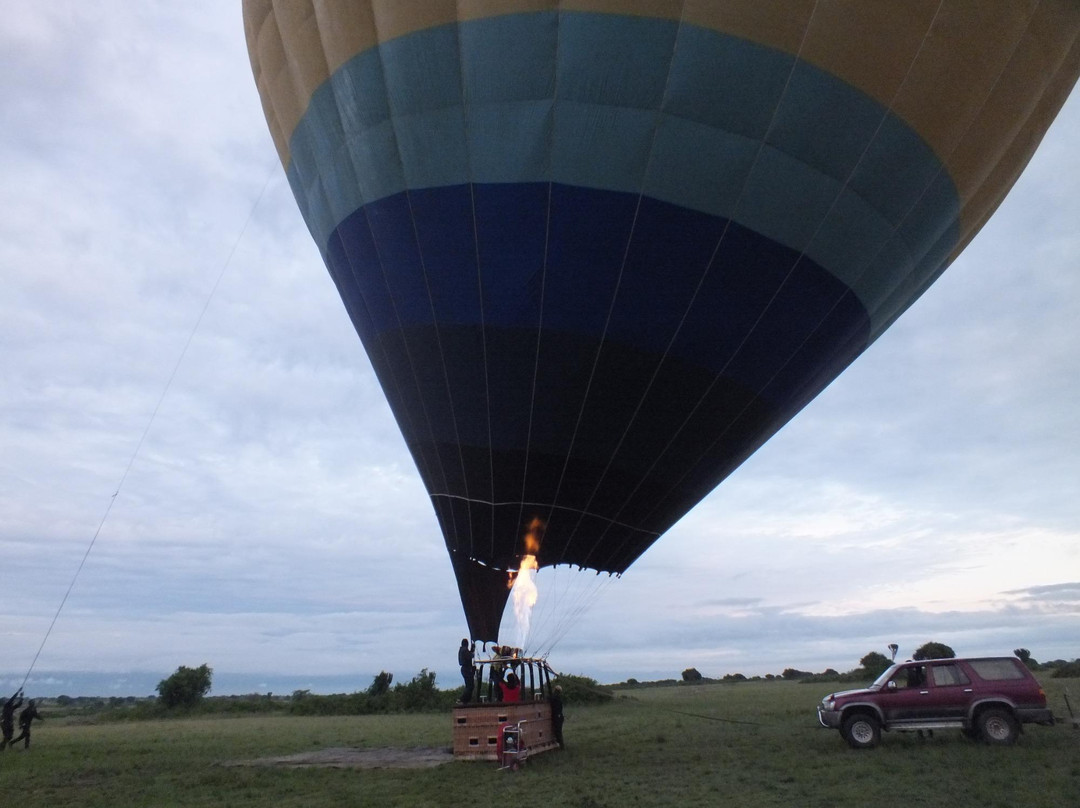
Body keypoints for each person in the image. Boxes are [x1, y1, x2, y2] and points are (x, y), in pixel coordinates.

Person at [457, 638, 476, 703]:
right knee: (470, 685)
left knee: (469, 685)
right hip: (466, 669)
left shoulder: (461, 650)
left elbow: (469, 655)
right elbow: (471, 655)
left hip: (465, 669)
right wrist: (472, 649)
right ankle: (463, 699)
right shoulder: (464, 650)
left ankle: (466, 700)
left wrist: (471, 650)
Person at [549, 685, 565, 749]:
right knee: (558, 731)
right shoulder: (558, 698)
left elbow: (550, 699)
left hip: (557, 717)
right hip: (559, 716)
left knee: (558, 731)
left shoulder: (555, 698)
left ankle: (561, 746)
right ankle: (560, 745)